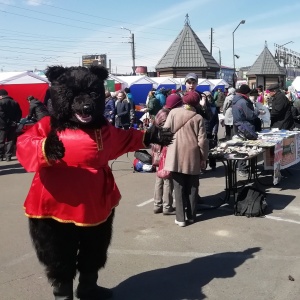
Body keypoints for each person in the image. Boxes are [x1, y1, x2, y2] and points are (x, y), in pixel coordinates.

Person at [164, 90, 209, 227]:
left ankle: (180, 218)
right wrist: (204, 157)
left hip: (175, 154)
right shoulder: (198, 118)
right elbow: (202, 141)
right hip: (192, 154)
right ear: (196, 103)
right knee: (193, 187)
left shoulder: (173, 113)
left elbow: (165, 131)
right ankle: (191, 216)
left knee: (178, 187)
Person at [152, 93, 183, 215]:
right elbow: (167, 133)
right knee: (167, 178)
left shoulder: (161, 111)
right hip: (163, 149)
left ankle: (157, 204)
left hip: (156, 148)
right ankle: (167, 206)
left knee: (159, 177)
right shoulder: (167, 115)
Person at [232, 84, 265, 177]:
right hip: (244, 126)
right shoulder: (243, 102)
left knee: (242, 146)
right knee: (246, 147)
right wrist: (258, 112)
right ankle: (243, 168)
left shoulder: (236, 99)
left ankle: (243, 168)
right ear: (246, 93)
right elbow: (250, 115)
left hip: (238, 125)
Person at [0, 89, 22, 161]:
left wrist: (8, 121)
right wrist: (15, 121)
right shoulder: (15, 102)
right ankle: (8, 156)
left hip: (2, 125)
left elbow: (2, 114)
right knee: (10, 140)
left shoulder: (1, 102)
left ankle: (0, 155)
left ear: (1, 96)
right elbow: (19, 113)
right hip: (13, 125)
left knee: (1, 140)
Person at [203, 91, 219, 170]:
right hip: (202, 131)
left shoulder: (213, 108)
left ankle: (213, 165)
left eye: (209, 96)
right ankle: (203, 166)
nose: (207, 98)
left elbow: (216, 121)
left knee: (212, 149)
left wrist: (214, 131)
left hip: (211, 130)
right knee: (203, 149)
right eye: (205, 96)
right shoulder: (199, 109)